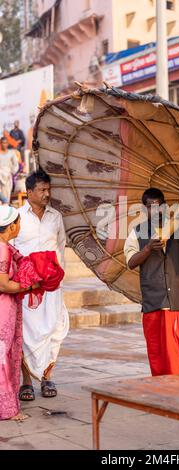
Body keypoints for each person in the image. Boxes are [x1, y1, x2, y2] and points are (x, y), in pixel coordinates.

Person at [124, 188, 179, 376]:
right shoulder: (137, 232)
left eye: (160, 205)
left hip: (177, 300)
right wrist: (148, 249)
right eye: (151, 207)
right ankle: (161, 389)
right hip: (153, 300)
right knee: (157, 350)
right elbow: (130, 262)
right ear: (144, 210)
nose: (156, 210)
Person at [14, 170, 69, 401]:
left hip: (51, 286)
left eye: (49, 189)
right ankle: (26, 381)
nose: (47, 194)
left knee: (54, 330)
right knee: (26, 333)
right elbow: (10, 249)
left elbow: (61, 247)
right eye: (42, 190)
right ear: (29, 193)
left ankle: (47, 377)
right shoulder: (17, 217)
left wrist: (59, 280)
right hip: (26, 287)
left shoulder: (56, 217)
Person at [0, 205, 39, 421]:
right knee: (2, 355)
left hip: (8, 307)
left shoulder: (7, 247)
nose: (20, 226)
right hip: (3, 308)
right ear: (12, 226)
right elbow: (3, 285)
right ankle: (6, 409)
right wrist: (30, 286)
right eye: (19, 222)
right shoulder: (3, 249)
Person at [0, 137, 19, 202]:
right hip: (0, 176)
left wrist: (12, 172)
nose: (4, 144)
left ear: (7, 144)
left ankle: (6, 205)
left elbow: (16, 164)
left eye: (5, 143)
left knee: (7, 193)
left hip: (8, 176)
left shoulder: (11, 153)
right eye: (2, 143)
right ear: (0, 144)